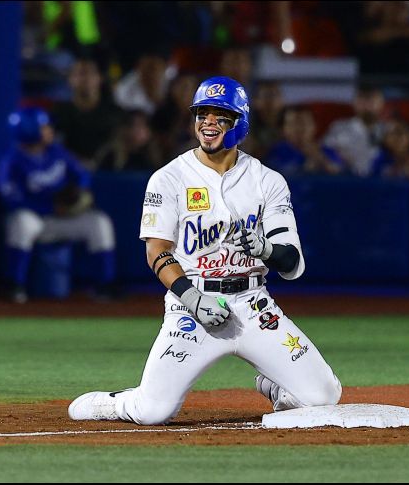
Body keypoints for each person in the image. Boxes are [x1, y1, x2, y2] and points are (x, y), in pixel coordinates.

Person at [67, 76, 342, 425]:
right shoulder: (169, 178)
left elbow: (292, 264)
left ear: (239, 123)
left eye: (220, 115)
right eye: (202, 114)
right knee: (153, 412)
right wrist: (192, 298)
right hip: (193, 307)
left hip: (253, 305)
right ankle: (113, 404)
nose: (208, 122)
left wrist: (267, 248)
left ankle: (275, 385)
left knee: (324, 396)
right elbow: (157, 252)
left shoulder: (267, 180)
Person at [0, 107, 117, 303]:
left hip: (62, 219)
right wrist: (50, 207)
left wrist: (78, 191)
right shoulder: (12, 161)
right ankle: (14, 285)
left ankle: (106, 285)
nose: (50, 130)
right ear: (29, 129)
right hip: (37, 221)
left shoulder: (57, 152)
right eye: (44, 127)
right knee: (22, 222)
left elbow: (83, 176)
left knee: (99, 222)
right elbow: (11, 199)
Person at [51, 57, 123, 171]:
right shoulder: (58, 111)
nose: (86, 78)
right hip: (68, 173)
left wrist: (96, 162)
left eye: (90, 73)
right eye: (80, 73)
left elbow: (118, 144)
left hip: (109, 173)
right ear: (70, 79)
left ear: (99, 78)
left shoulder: (115, 112)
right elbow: (53, 145)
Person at [322, 83, 388, 177]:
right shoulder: (339, 127)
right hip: (347, 179)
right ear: (354, 103)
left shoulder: (389, 129)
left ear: (381, 103)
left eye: (372, 101)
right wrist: (339, 160)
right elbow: (326, 150)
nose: (367, 106)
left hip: (381, 181)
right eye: (362, 101)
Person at [264, 105, 345, 176]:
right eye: (293, 123)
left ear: (314, 126)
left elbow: (341, 175)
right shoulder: (275, 152)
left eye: (304, 122)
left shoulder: (328, 151)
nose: (299, 128)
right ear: (282, 129)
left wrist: (320, 158)